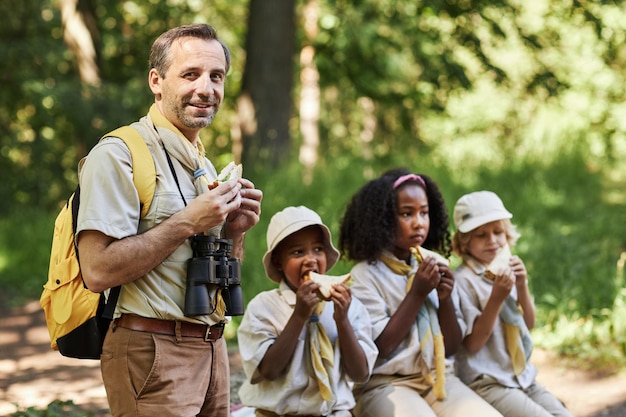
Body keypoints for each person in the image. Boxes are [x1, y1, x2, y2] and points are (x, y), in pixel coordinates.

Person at [75, 24, 263, 417]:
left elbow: (213, 272)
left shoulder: (205, 164)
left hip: (213, 350)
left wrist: (233, 232)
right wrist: (188, 222)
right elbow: (96, 270)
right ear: (156, 81)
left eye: (217, 76)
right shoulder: (118, 154)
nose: (207, 89)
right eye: (190, 74)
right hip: (152, 350)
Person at [337, 168, 502, 417]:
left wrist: (445, 299)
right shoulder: (366, 274)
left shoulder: (435, 263)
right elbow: (381, 347)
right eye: (407, 214)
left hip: (438, 378)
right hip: (386, 384)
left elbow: (452, 346)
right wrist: (416, 294)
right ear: (383, 219)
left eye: (424, 212)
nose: (419, 222)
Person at [237, 206, 378, 417]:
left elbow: (360, 373)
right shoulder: (263, 308)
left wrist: (342, 321)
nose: (311, 259)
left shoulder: (349, 306)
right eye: (298, 252)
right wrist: (299, 316)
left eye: (318, 249)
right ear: (278, 261)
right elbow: (268, 370)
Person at [451, 191, 573, 417]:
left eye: (498, 232)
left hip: (522, 376)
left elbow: (529, 323)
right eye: (481, 235)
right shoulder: (463, 281)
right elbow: (473, 345)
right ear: (465, 242)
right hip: (487, 381)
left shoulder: (507, 269)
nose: (493, 240)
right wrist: (496, 298)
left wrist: (522, 285)